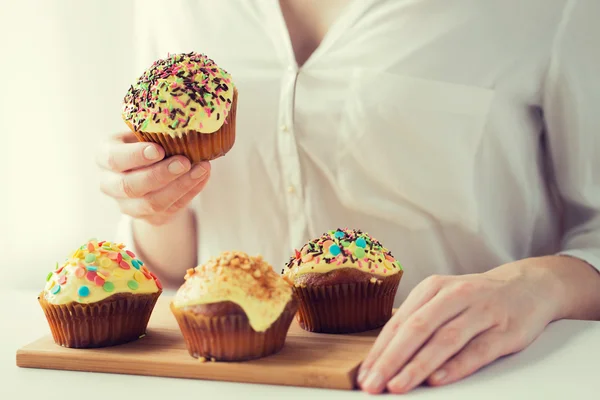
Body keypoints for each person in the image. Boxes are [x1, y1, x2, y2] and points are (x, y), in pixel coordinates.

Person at [96, 0, 600, 394]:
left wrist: (537, 286)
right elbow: (173, 262)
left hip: (464, 381)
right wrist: (153, 203)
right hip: (223, 378)